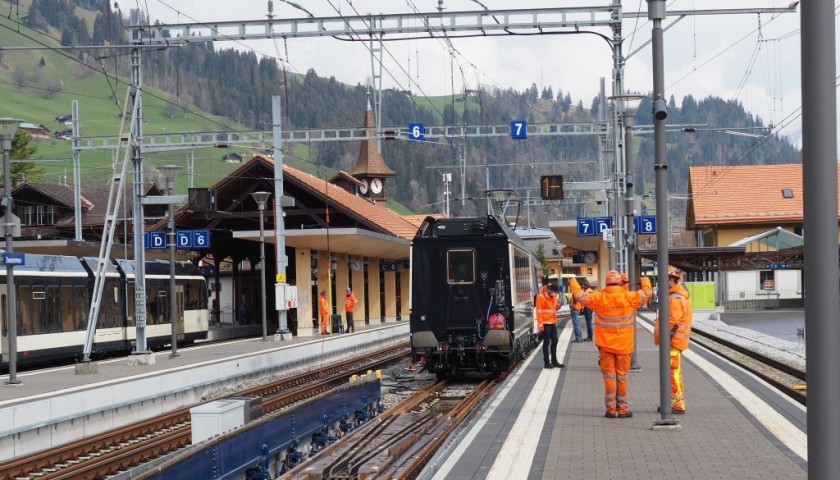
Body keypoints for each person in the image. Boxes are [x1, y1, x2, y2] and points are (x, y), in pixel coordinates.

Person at [580, 270, 651, 418]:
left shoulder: (599, 297)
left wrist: (573, 283)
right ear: (619, 283)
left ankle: (611, 409)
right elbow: (647, 294)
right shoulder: (629, 297)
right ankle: (623, 409)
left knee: (609, 377)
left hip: (605, 346)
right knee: (622, 376)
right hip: (624, 347)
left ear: (606, 283)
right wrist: (645, 280)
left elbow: (581, 297)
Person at [654, 266, 693, 414]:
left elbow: (672, 321)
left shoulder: (675, 298)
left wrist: (665, 337)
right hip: (676, 341)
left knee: (673, 373)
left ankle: (678, 405)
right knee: (674, 372)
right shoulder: (679, 295)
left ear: (670, 280)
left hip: (673, 341)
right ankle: (672, 403)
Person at [536, 282, 564, 369]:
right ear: (549, 290)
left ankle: (554, 361)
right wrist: (540, 325)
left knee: (555, 341)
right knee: (546, 342)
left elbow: (553, 308)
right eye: (554, 291)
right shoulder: (540, 297)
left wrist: (558, 306)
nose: (555, 293)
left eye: (556, 292)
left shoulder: (554, 296)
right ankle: (547, 362)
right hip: (545, 324)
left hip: (552, 322)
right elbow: (539, 312)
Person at [568, 277, 584, 343]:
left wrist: (572, 306)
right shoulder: (578, 289)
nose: (569, 285)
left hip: (574, 309)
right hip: (577, 308)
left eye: (569, 284)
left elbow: (574, 301)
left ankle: (578, 339)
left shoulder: (575, 291)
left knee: (576, 324)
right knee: (578, 324)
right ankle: (580, 338)